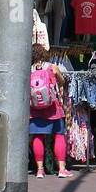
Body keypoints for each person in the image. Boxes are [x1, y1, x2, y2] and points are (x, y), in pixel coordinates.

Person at [29, 44, 73, 178]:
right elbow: (61, 81)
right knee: (59, 135)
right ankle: (61, 169)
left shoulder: (28, 69)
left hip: (34, 108)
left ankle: (40, 170)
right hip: (53, 107)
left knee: (38, 136)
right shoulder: (52, 67)